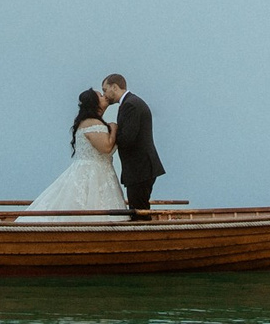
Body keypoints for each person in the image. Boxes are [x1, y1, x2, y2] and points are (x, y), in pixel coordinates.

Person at [22, 88, 127, 218]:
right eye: (100, 95)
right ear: (94, 103)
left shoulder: (90, 122)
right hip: (92, 173)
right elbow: (106, 147)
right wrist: (114, 128)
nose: (104, 96)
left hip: (101, 171)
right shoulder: (92, 122)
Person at [100, 74, 164, 220]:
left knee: (139, 213)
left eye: (105, 90)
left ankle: (144, 241)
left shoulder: (130, 105)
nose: (104, 94)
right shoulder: (131, 103)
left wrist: (112, 131)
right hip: (141, 168)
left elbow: (127, 138)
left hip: (140, 169)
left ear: (114, 87)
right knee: (140, 210)